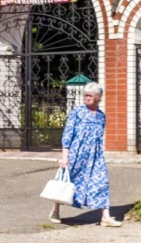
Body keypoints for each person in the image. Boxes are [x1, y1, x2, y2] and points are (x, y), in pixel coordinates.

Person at [49, 81, 120, 227]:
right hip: (76, 154)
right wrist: (64, 157)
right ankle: (55, 211)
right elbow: (68, 135)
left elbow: (99, 137)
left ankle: (105, 217)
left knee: (101, 183)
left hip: (95, 156)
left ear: (98, 97)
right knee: (67, 182)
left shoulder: (101, 116)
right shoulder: (77, 112)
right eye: (85, 95)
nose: (86, 98)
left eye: (90, 95)